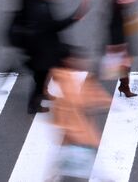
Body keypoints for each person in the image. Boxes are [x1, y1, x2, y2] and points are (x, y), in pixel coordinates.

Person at [25, 0, 92, 114]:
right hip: (41, 53)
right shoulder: (41, 10)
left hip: (43, 51)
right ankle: (33, 106)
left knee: (42, 78)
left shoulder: (41, 6)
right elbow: (55, 26)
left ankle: (42, 95)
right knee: (40, 80)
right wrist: (76, 16)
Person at [51, 53, 111, 181]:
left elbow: (94, 96)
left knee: (74, 167)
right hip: (77, 137)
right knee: (77, 168)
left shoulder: (77, 79)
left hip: (78, 137)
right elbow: (63, 112)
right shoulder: (66, 82)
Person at [105, 0, 138, 97]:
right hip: (118, 38)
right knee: (124, 65)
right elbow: (121, 3)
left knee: (124, 65)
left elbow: (123, 2)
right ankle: (124, 87)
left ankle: (124, 86)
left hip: (119, 36)